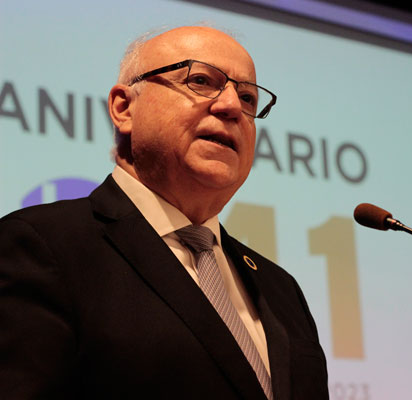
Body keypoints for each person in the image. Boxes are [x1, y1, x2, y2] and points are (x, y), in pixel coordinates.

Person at [0, 26, 328, 399]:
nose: (232, 106)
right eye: (201, 81)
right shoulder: (41, 246)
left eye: (248, 97)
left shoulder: (281, 288)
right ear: (124, 108)